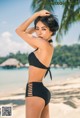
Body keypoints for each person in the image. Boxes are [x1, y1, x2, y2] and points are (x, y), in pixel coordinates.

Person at [16, 10, 59, 118]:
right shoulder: (48, 46)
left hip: (34, 90)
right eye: (37, 29)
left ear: (52, 31)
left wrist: (36, 15)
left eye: (44, 29)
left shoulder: (41, 43)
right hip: (43, 92)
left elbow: (19, 31)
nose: (39, 33)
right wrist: (39, 25)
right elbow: (27, 33)